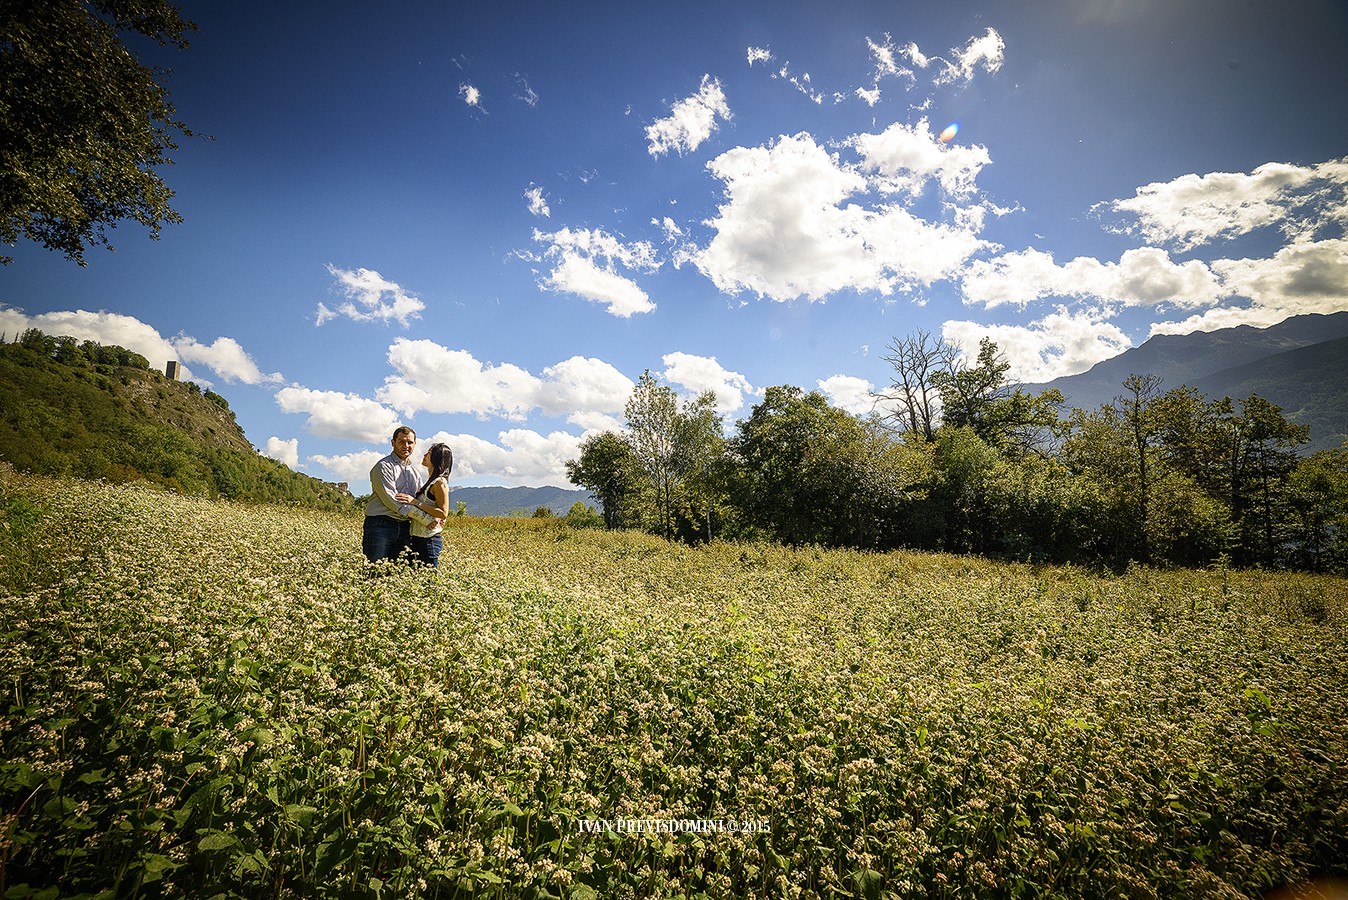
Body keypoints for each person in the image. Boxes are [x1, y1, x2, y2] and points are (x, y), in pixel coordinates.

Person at [362, 426, 426, 563]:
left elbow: (419, 499)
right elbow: (391, 499)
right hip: (381, 524)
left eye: (410, 442)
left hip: (404, 526)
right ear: (393, 443)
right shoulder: (383, 466)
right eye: (401, 442)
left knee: (399, 569)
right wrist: (423, 517)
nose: (406, 446)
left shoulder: (415, 473)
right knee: (374, 568)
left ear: (415, 444)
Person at [397, 442, 452, 567]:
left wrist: (415, 502)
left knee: (428, 577)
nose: (425, 455)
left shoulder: (439, 483)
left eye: (429, 453)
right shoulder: (430, 482)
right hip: (418, 538)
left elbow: (443, 513)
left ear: (437, 458)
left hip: (429, 540)